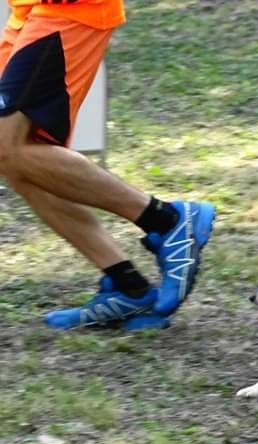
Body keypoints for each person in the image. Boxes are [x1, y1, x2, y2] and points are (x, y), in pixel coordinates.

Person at [0, 0, 215, 330]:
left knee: (8, 143)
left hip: (68, 8)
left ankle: (168, 220)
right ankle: (128, 287)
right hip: (26, 11)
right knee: (19, 155)